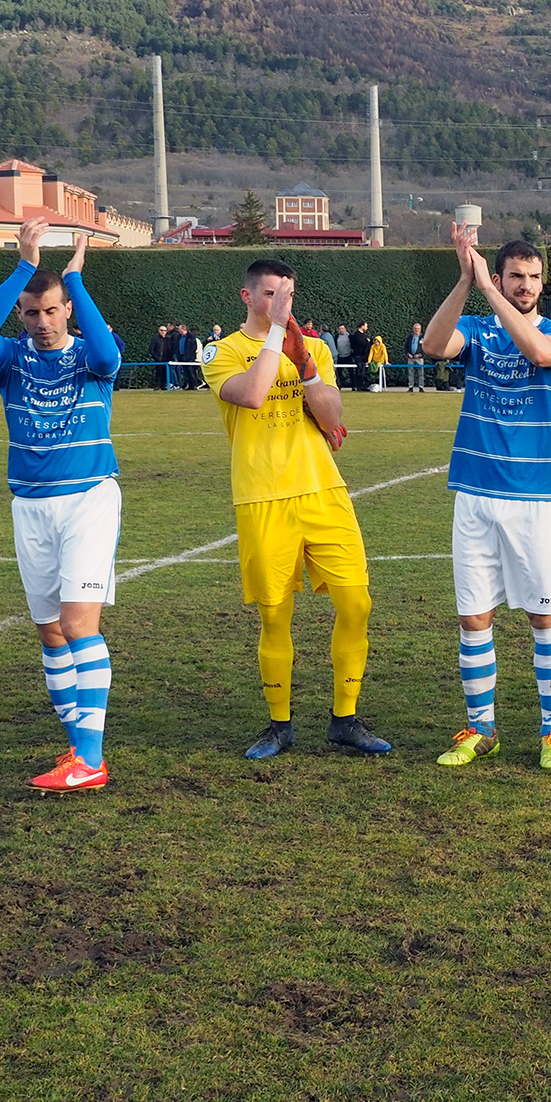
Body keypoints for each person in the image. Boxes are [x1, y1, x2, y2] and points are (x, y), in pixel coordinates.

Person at [204, 259, 389, 760]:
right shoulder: (222, 352)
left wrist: (304, 361)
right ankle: (279, 725)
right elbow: (254, 393)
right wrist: (280, 332)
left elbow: (331, 416)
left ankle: (345, 720)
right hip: (262, 496)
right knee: (275, 615)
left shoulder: (317, 348)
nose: (281, 304)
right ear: (247, 297)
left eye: (286, 295)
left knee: (357, 603)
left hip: (323, 492)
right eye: (270, 295)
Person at [0, 219, 121, 793]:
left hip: (87, 500)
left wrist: (75, 279)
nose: (43, 321)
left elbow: (106, 349)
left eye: (52, 311)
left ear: (68, 311)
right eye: (32, 313)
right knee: (51, 632)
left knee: (80, 624)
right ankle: (75, 743)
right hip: (29, 505)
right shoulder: (9, 361)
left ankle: (91, 758)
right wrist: (24, 267)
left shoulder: (91, 359)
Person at [419, 230, 551, 770]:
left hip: (534, 500)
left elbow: (537, 352)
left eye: (534, 277)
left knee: (544, 620)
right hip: (474, 496)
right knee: (474, 619)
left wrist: (487, 289)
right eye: (515, 275)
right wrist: (467, 281)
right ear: (503, 277)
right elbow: (434, 346)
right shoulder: (478, 330)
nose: (526, 285)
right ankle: (481, 727)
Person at [406, 322, 426, 392]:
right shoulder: (410, 337)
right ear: (413, 329)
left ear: (420, 329)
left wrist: (419, 355)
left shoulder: (423, 338)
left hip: (419, 358)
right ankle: (411, 386)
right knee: (410, 373)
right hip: (411, 357)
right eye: (415, 329)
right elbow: (406, 347)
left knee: (421, 373)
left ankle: (421, 387)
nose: (417, 330)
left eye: (418, 329)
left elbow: (425, 348)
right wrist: (408, 354)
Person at [153, 324, 174, 390]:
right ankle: (157, 385)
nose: (163, 332)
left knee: (165, 373)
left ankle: (163, 385)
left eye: (164, 330)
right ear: (159, 331)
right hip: (159, 359)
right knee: (158, 373)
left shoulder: (168, 339)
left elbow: (171, 348)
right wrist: (156, 358)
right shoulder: (155, 339)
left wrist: (171, 357)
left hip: (167, 359)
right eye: (161, 330)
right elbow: (151, 350)